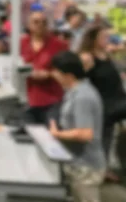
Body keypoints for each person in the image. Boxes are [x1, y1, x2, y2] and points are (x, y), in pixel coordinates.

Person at [49, 51, 105, 202]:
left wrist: (57, 134)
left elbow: (85, 134)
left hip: (86, 167)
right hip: (76, 164)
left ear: (69, 75)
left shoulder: (83, 97)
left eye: (57, 72)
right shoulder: (74, 92)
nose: (54, 75)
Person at [78, 25, 126, 182]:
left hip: (117, 101)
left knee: (109, 136)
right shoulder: (88, 57)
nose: (107, 40)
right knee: (101, 138)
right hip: (102, 104)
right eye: (104, 37)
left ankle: (103, 168)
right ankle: (99, 170)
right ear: (94, 39)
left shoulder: (106, 55)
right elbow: (80, 79)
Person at [21, 11, 66, 124]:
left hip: (52, 99)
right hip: (27, 98)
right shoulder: (21, 43)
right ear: (28, 25)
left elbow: (66, 70)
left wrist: (49, 74)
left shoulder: (59, 45)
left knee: (51, 136)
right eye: (36, 22)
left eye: (44, 22)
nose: (40, 25)